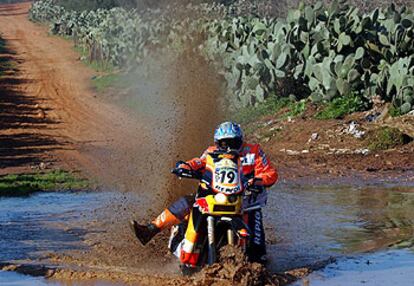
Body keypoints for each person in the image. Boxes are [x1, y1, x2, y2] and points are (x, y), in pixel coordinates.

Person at [130, 121, 278, 264]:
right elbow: (199, 162)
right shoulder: (211, 152)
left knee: (259, 256)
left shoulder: (254, 151)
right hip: (215, 197)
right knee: (188, 202)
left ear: (240, 140)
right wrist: (185, 166)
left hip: (247, 204)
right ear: (217, 143)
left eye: (232, 143)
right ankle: (150, 229)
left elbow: (269, 172)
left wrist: (259, 180)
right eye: (223, 143)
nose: (228, 147)